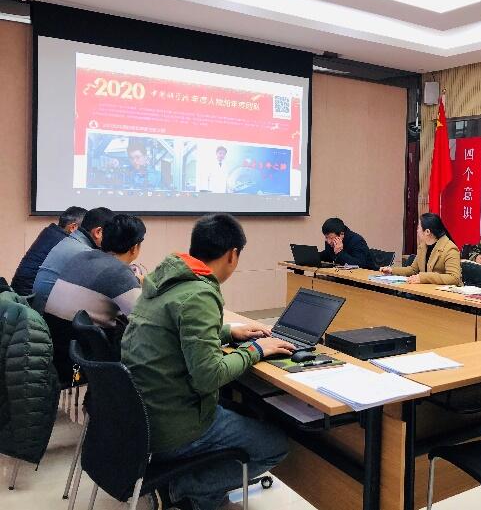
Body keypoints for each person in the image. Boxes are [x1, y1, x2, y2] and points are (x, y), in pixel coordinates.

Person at [122, 214, 294, 510]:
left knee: (240, 409)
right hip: (174, 426)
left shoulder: (165, 281)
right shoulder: (199, 293)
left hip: (142, 417)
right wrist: (256, 350)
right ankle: (181, 487)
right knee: (274, 446)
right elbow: (208, 376)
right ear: (232, 255)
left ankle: (205, 497)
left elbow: (174, 333)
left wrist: (228, 332)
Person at [31, 207, 115, 384]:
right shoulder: (84, 253)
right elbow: (108, 290)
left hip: (41, 317)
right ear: (98, 232)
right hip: (50, 326)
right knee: (112, 331)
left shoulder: (70, 241)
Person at [44, 214, 145, 359]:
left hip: (56, 346)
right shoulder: (119, 273)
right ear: (135, 248)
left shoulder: (81, 257)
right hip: (84, 355)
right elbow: (144, 318)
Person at [11, 205, 86, 295]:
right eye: (85, 231)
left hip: (18, 292)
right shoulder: (64, 242)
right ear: (73, 228)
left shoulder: (51, 233)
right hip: (29, 297)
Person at [380, 213, 462, 285]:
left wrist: (424, 277)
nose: (417, 231)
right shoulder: (423, 247)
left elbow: (454, 278)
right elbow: (413, 270)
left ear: (427, 232)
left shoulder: (450, 249)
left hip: (443, 294)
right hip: (426, 290)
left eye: (418, 228)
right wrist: (392, 270)